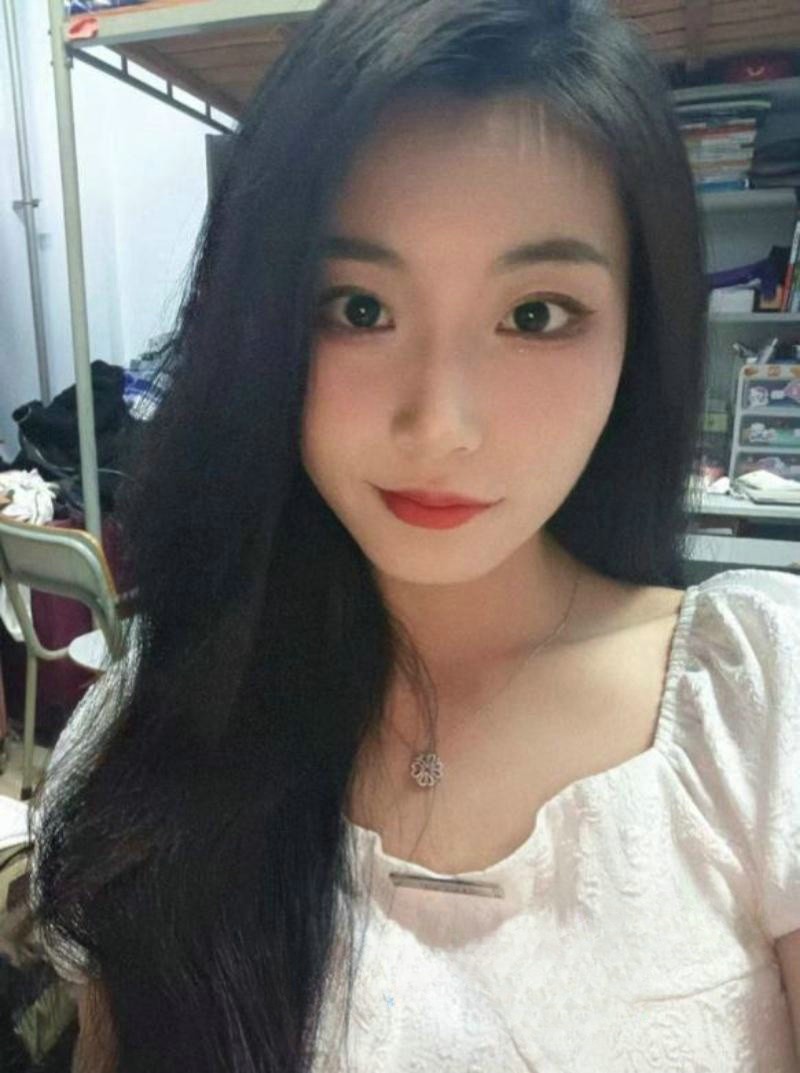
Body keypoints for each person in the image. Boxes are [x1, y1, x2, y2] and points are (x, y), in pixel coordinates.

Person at [11, 0, 800, 1070]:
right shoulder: (151, 726)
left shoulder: (758, 707)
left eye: (534, 314)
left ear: (638, 331)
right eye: (357, 308)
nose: (439, 425)